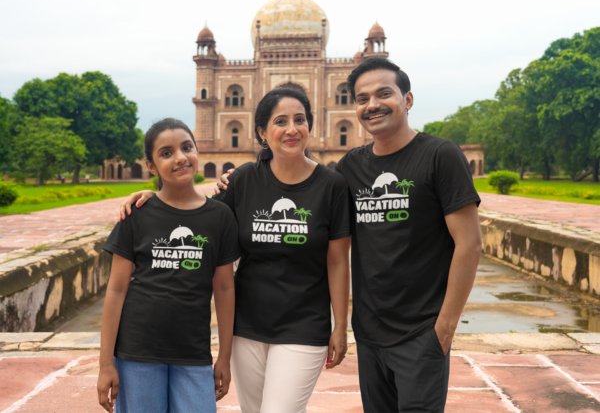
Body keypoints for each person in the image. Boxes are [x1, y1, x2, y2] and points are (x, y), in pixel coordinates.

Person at [217, 59, 482, 412]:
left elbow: (470, 244)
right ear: (262, 131)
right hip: (370, 331)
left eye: (384, 94)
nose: (372, 105)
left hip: (421, 330)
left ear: (408, 99)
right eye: (362, 98)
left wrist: (445, 328)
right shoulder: (351, 169)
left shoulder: (439, 156)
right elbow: (208, 221)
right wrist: (157, 198)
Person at [117, 89, 352, 413]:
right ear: (261, 132)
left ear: (310, 125)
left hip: (304, 323)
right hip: (248, 323)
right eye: (280, 121)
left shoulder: (331, 185)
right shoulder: (243, 180)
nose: (292, 129)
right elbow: (199, 218)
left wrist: (341, 325)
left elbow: (338, 260)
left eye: (300, 120)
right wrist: (156, 196)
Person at [98, 118, 240, 413]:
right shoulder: (137, 214)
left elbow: (225, 289)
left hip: (192, 351)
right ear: (151, 166)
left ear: (197, 151)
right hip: (137, 350)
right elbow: (116, 289)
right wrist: (105, 364)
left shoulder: (219, 216)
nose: (180, 158)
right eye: (166, 153)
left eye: (187, 147)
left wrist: (224, 357)